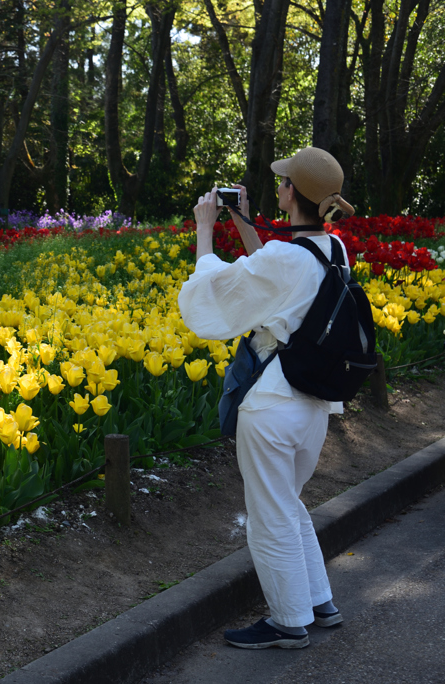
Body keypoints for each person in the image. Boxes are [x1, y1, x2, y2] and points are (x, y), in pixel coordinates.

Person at [178, 147, 356, 650]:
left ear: (292, 193)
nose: (277, 187)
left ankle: (287, 621)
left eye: (282, 183)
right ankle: (319, 601)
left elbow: (213, 292)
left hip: (271, 406)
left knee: (269, 516)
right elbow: (274, 268)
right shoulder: (334, 249)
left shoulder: (286, 258)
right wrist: (243, 221)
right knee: (289, 504)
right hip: (314, 405)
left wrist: (207, 228)